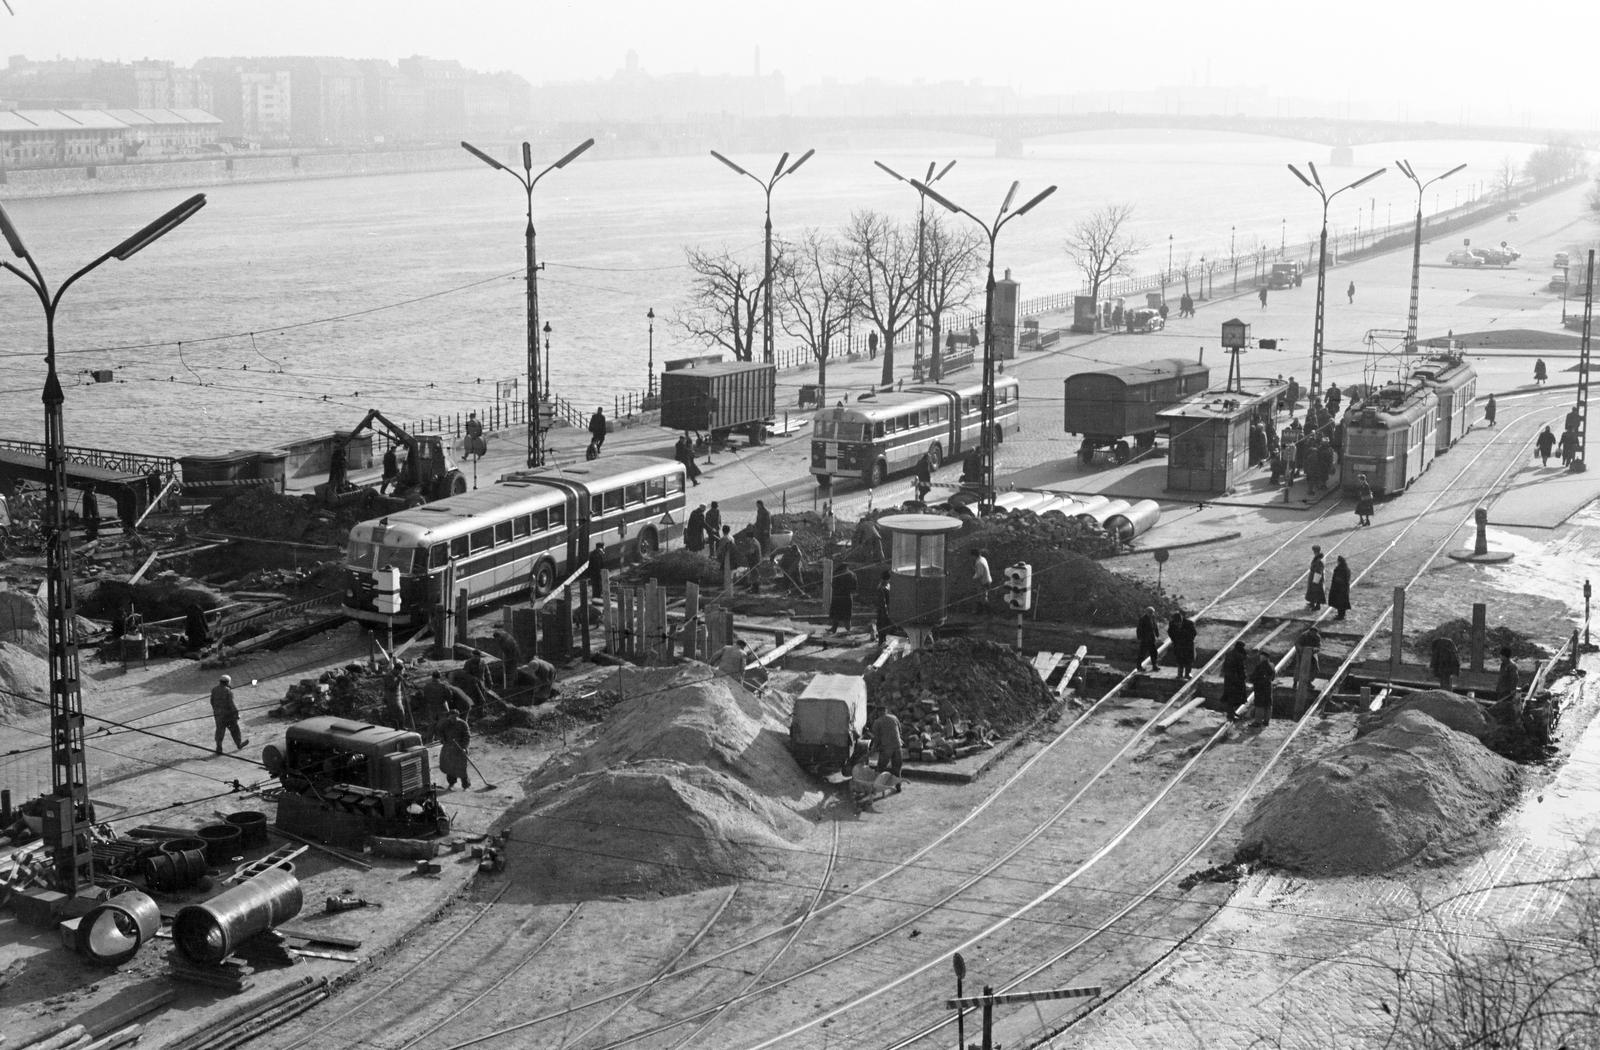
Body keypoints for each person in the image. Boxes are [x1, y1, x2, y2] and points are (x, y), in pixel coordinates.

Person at [210, 674, 248, 754]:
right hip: (228, 715)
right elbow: (232, 704)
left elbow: (212, 702)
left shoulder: (214, 690)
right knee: (235, 730)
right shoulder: (228, 691)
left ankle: (219, 748)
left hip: (218, 715)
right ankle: (239, 744)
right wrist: (236, 714)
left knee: (219, 731)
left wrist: (216, 710)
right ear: (227, 682)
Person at [436, 708, 471, 790]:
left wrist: (464, 747)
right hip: (449, 748)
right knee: (449, 767)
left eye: (455, 718)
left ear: (457, 717)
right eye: (451, 718)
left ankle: (466, 786)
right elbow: (440, 732)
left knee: (462, 768)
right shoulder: (445, 723)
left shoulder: (463, 724)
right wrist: (442, 739)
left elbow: (467, 736)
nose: (453, 720)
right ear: (448, 717)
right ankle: (451, 784)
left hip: (460, 748)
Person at [417, 671, 452, 740]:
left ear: (432, 677)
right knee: (442, 724)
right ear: (439, 677)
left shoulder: (427, 686)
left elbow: (424, 696)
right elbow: (450, 696)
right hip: (442, 707)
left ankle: (429, 739)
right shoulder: (443, 686)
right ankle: (440, 739)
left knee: (431, 724)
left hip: (431, 707)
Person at [870, 706, 903, 778]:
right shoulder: (894, 718)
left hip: (886, 748)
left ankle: (878, 785)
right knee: (897, 769)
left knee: (880, 768)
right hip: (898, 746)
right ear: (886, 711)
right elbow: (900, 731)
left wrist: (873, 750)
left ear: (878, 712)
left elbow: (876, 739)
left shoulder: (877, 722)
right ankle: (898, 786)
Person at [1222, 641, 1250, 720]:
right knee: (1233, 697)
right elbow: (1244, 661)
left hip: (1230, 680)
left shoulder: (1230, 654)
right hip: (1235, 680)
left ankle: (1231, 713)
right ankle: (1230, 715)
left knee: (1231, 697)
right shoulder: (1237, 656)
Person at [828, 562, 857, 634]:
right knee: (847, 615)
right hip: (847, 597)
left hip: (838, 597)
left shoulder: (838, 574)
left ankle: (834, 629)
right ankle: (848, 630)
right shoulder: (852, 574)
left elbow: (834, 585)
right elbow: (855, 587)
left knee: (836, 614)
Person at [1248, 652, 1275, 727]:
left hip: (1260, 688)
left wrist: (1251, 680)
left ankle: (1258, 722)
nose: (1260, 658)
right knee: (1268, 704)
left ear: (1264, 657)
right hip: (1268, 687)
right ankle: (1266, 721)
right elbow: (1273, 677)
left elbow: (1254, 677)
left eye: (1261, 656)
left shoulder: (1260, 666)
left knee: (1259, 705)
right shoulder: (1272, 665)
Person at [381, 658, 409, 729]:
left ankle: (400, 727)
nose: (401, 673)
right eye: (400, 671)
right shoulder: (389, 676)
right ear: (396, 669)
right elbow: (391, 687)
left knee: (400, 714)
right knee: (398, 714)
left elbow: (403, 684)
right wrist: (398, 681)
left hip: (397, 698)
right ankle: (399, 728)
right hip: (392, 699)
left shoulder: (396, 676)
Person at [1169, 610, 1197, 681]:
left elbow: (1194, 633)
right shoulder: (1172, 623)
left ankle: (1187, 674)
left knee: (1189, 660)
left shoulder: (1189, 623)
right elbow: (1170, 632)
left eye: (1178, 623)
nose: (1177, 625)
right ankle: (1180, 674)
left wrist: (1187, 639)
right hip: (1178, 644)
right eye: (1176, 623)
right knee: (1179, 659)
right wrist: (1174, 640)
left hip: (1188, 645)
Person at [1135, 606, 1161, 673]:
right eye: (1150, 612)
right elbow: (1139, 629)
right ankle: (1139, 666)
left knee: (1154, 652)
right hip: (1145, 639)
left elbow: (1155, 626)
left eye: (1152, 612)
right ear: (1146, 612)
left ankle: (1154, 665)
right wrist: (1140, 638)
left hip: (1152, 638)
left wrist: (1157, 634)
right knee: (1142, 653)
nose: (1151, 613)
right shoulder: (1142, 619)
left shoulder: (1153, 617)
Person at [969, 548, 993, 615]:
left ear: (974, 555)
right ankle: (979, 612)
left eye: (971, 556)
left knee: (983, 598)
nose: (971, 558)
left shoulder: (979, 562)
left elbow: (980, 574)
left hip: (984, 582)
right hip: (986, 580)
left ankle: (989, 613)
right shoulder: (982, 559)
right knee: (980, 597)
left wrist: (973, 578)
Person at [1328, 556, 1352, 620]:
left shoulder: (1341, 569)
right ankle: (1341, 615)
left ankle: (1341, 616)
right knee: (1341, 602)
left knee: (1340, 602)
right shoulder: (1346, 569)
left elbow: (1341, 578)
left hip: (1340, 588)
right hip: (1343, 588)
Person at [874, 571, 893, 643]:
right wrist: (885, 612)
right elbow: (882, 601)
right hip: (882, 610)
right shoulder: (881, 587)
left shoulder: (886, 585)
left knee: (885, 625)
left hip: (885, 609)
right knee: (882, 625)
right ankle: (881, 641)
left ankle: (883, 640)